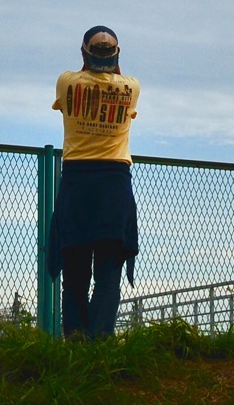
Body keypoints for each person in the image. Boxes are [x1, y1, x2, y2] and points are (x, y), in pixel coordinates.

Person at [47, 25, 140, 338]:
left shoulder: (67, 82)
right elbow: (116, 77)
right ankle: (99, 344)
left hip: (76, 183)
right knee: (108, 273)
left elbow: (77, 82)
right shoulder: (131, 87)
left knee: (74, 272)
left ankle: (74, 340)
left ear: (84, 52)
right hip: (115, 184)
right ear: (116, 55)